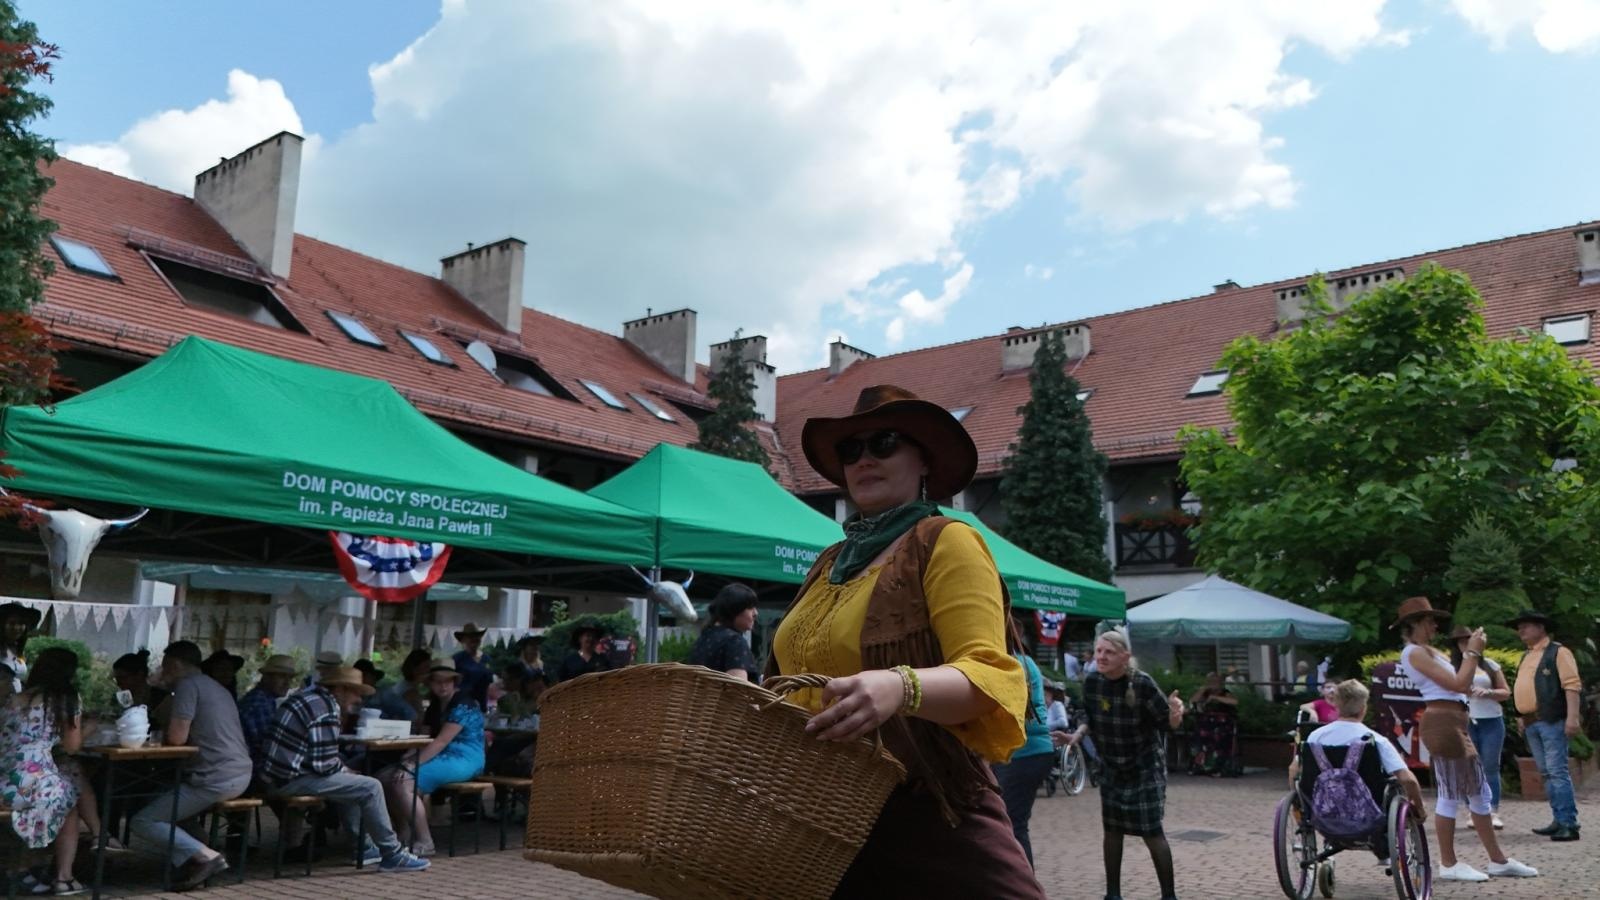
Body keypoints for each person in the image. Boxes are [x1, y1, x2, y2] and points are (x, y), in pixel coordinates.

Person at [764, 384, 1042, 897]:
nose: (864, 459)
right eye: (851, 450)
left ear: (925, 461)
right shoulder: (829, 562)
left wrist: (900, 687)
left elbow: (993, 675)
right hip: (817, 814)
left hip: (925, 802)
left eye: (884, 442)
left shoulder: (945, 540)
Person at [1392, 596, 1536, 881]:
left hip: (1454, 722)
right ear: (1416, 623)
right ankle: (1449, 864)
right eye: (1430, 620)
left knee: (1478, 792)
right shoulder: (1413, 653)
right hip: (1443, 724)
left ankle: (1497, 860)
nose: (1435, 625)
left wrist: (1472, 657)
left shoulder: (1429, 652)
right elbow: (1459, 683)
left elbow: (1464, 685)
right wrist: (1472, 653)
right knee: (1451, 794)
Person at [258, 665, 430, 873]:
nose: (358, 699)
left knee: (353, 784)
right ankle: (392, 853)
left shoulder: (308, 698)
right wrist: (346, 772)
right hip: (287, 780)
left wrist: (345, 772)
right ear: (339, 689)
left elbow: (319, 758)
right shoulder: (326, 710)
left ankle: (364, 848)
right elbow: (324, 766)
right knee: (371, 786)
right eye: (355, 692)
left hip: (275, 776)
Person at [1060, 628, 1183, 900]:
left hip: (1145, 768)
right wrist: (1075, 736)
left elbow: (1167, 723)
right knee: (1113, 830)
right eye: (1098, 651)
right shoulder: (1092, 682)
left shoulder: (1142, 684)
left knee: (1152, 831)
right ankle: (1112, 895)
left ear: (1125, 657)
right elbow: (1087, 717)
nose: (1101, 657)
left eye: (1109, 652)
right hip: (1112, 768)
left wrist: (1175, 714)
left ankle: (1169, 896)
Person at [128, 640, 253, 890]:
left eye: (164, 667)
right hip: (239, 772)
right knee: (161, 799)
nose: (162, 673)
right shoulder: (215, 686)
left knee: (143, 820)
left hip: (214, 777)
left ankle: (207, 856)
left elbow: (176, 738)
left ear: (174, 664)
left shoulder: (187, 686)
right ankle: (197, 856)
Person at [1289, 679, 1427, 853]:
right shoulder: (1376, 740)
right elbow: (1408, 780)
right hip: (1369, 816)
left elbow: (1293, 770)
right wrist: (1419, 809)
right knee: (1393, 786)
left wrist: (1298, 805)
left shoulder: (1315, 737)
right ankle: (1383, 849)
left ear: (1336, 706)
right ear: (1364, 708)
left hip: (1322, 813)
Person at [0, 647, 85, 895]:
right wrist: (88, 727)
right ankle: (63, 877)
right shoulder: (65, 699)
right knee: (69, 802)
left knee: (61, 794)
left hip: (3, 778)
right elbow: (72, 747)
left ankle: (26, 868)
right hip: (31, 782)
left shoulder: (13, 699)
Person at [382, 660, 485, 857]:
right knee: (384, 777)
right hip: (441, 753)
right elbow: (424, 737)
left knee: (403, 783)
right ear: (430, 684)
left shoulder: (464, 703)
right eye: (437, 681)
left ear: (455, 682)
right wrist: (407, 756)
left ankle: (425, 841)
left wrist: (411, 763)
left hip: (465, 758)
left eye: (448, 681)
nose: (443, 685)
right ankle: (404, 833)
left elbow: (441, 741)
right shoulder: (434, 706)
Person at [1507, 609, 1582, 842]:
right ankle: (1559, 819)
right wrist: (1521, 716)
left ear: (1541, 628)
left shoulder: (1558, 652)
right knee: (1547, 773)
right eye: (1520, 626)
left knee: (1557, 771)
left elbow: (1572, 686)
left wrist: (1572, 717)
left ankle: (1569, 823)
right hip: (1532, 722)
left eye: (1526, 625)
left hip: (1551, 720)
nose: (1521, 629)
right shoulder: (1527, 655)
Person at [990, 617, 1055, 868]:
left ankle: (1022, 886)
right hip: (1032, 753)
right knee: (1011, 823)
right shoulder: (1025, 662)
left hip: (1024, 752)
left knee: (1011, 824)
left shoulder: (1011, 664)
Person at [1451, 625, 1510, 831]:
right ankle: (1472, 810)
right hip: (1465, 720)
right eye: (1461, 642)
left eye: (1468, 641)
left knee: (1491, 765)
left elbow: (1505, 692)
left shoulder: (1490, 665)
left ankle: (1492, 810)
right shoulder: (1452, 668)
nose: (1465, 646)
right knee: (1468, 766)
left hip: (1491, 719)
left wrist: (1488, 692)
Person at [687, 583, 760, 682]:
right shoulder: (734, 641)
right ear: (734, 609)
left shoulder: (703, 638)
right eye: (750, 608)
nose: (755, 613)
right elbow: (737, 690)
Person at [238, 654, 297, 769]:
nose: (287, 683)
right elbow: (269, 746)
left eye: (290, 678)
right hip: (253, 769)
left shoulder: (266, 699)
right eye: (281, 677)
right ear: (267, 677)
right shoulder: (259, 704)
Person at [1187, 672, 1239, 776]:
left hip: (1222, 723)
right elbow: (1192, 701)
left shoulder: (1225, 692)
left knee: (1218, 735)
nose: (1213, 683)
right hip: (1206, 723)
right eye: (1211, 681)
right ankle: (1199, 766)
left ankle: (1219, 767)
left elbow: (1235, 702)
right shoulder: (1205, 693)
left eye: (1216, 681)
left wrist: (1216, 698)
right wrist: (1204, 689)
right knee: (1198, 735)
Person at [371, 649, 431, 722]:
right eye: (426, 667)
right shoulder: (409, 691)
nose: (429, 670)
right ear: (415, 669)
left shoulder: (405, 685)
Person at [0, 601, 41, 692]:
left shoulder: (18, 651)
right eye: (12, 623)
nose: (16, 627)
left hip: (15, 703)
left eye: (21, 623)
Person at [451, 623, 493, 708]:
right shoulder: (456, 659)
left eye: (477, 636)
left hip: (482, 705)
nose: (474, 639)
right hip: (462, 705)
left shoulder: (486, 659)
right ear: (463, 639)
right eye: (471, 637)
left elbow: (490, 683)